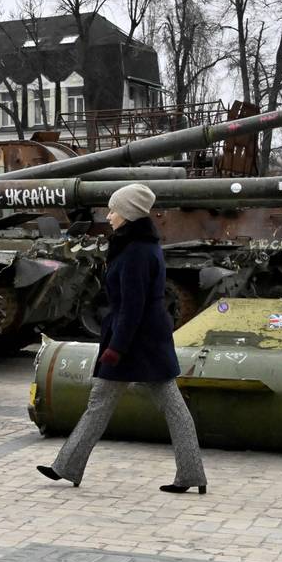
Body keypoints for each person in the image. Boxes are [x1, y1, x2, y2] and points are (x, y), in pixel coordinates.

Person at [37, 184, 208, 494]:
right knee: (144, 406)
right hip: (146, 339)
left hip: (135, 341)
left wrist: (116, 348)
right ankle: (191, 474)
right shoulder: (139, 245)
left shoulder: (136, 252)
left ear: (128, 214)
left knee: (141, 405)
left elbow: (132, 307)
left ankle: (68, 466)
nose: (109, 215)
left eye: (113, 210)